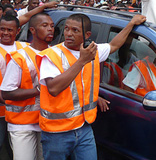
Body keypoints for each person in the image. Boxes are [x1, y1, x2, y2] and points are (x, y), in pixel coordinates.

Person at [36, 13, 146, 159]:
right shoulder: (51, 56)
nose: (68, 33)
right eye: (67, 29)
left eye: (75, 30)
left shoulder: (92, 51)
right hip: (57, 132)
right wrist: (82, 61)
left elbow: (114, 45)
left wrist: (131, 24)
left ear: (87, 35)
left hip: (84, 127)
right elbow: (54, 89)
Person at [0, 13, 54, 160]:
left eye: (52, 26)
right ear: (32, 30)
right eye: (45, 26)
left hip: (46, 121)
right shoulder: (19, 57)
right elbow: (6, 93)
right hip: (22, 124)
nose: (50, 29)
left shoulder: (55, 54)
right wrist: (37, 90)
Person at [0, 14, 29, 157]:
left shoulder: (26, 47)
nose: (5, 33)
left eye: (10, 30)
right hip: (2, 113)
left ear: (18, 31)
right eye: (2, 29)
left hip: (20, 114)